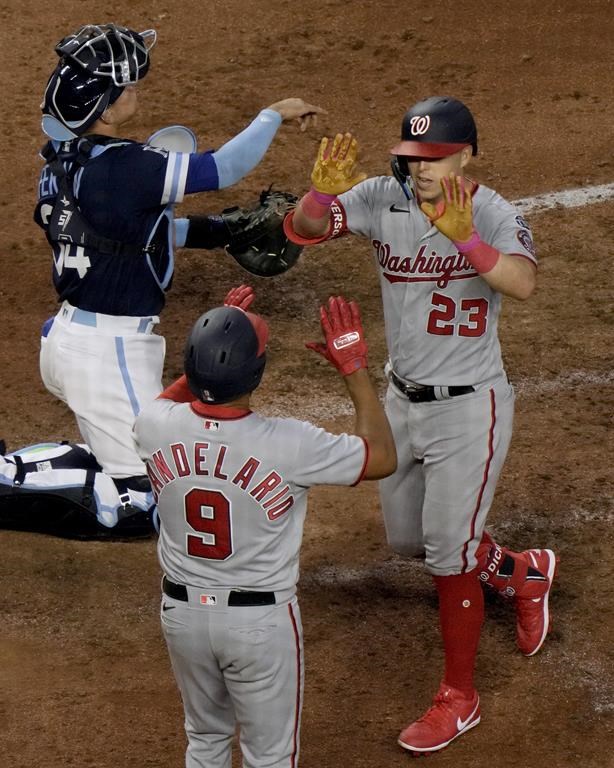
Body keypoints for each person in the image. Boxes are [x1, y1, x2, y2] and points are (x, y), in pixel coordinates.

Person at [284, 96, 559, 755]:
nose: (422, 171)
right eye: (413, 158)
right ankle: (523, 573)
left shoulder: (492, 211)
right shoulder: (384, 197)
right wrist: (320, 197)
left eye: (435, 159)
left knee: (447, 551)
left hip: (470, 407)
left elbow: (521, 283)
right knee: (410, 541)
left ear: (467, 155)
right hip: (403, 400)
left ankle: (459, 699)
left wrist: (467, 238)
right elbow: (303, 228)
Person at [0, 23, 322, 538]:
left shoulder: (61, 163)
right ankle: (7, 479)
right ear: (103, 106)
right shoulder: (127, 167)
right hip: (109, 354)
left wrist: (217, 232)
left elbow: (132, 234)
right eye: (125, 87)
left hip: (74, 340)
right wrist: (272, 115)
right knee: (150, 502)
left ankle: (52, 463)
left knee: (129, 467)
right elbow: (223, 167)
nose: (135, 91)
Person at [132, 285, 397, 768]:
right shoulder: (290, 444)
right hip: (259, 625)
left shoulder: (154, 425)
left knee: (205, 740)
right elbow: (381, 457)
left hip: (183, 617)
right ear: (257, 373)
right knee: (270, 756)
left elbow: (175, 396)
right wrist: (354, 368)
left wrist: (218, 341)